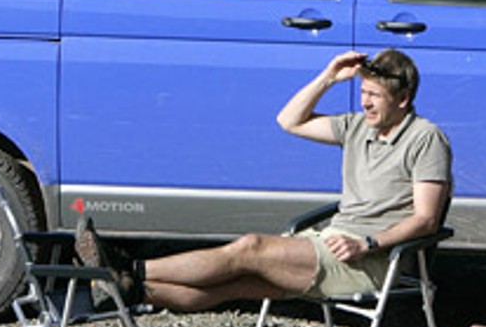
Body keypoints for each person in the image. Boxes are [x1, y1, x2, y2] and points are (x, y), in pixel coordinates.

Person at [77, 48, 451, 311]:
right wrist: (328, 77)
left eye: (376, 96)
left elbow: (426, 220)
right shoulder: (357, 127)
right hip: (328, 243)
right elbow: (289, 120)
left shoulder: (425, 138)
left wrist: (368, 244)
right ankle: (134, 290)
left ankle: (129, 268)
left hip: (368, 261)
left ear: (402, 99)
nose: (365, 102)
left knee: (249, 248)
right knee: (232, 284)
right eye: (364, 92)